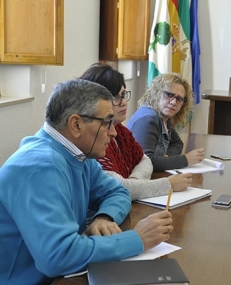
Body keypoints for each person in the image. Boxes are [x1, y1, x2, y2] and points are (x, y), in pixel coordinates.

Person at [0, 79, 174, 284]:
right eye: (107, 122)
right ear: (76, 124)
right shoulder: (40, 167)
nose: (114, 131)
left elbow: (117, 192)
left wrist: (104, 218)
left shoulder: (77, 153)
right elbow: (58, 257)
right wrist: (138, 239)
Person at [79, 64, 193, 200]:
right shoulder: (92, 138)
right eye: (115, 97)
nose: (124, 103)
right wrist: (168, 184)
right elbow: (116, 188)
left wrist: (133, 182)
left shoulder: (120, 129)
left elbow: (145, 160)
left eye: (123, 95)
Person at [127, 73, 205, 172]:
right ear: (157, 93)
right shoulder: (148, 119)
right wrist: (186, 160)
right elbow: (145, 162)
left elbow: (177, 143)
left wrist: (166, 157)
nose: (173, 102)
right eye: (169, 95)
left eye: (179, 99)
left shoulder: (164, 117)